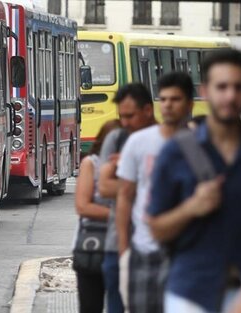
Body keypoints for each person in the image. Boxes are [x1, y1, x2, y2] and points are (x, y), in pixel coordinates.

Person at [148, 49, 241, 313]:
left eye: (238, 87)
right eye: (222, 87)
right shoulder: (177, 152)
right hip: (190, 293)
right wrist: (192, 207)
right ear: (205, 91)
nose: (230, 96)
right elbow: (156, 228)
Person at [115, 72, 194, 313]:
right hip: (144, 250)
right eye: (164, 99)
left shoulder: (200, 144)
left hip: (186, 252)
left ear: (189, 103)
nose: (168, 105)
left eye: (176, 99)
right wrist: (124, 251)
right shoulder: (138, 142)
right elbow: (125, 196)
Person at [98, 83, 156, 313]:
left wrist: (127, 174)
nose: (125, 123)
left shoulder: (166, 140)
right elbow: (104, 187)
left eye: (130, 116)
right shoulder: (116, 139)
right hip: (116, 244)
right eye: (121, 116)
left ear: (148, 111)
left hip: (156, 247)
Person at [74, 119, 121, 313]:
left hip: (126, 250)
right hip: (94, 246)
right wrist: (122, 215)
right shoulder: (91, 164)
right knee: (91, 306)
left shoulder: (136, 165)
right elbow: (83, 207)